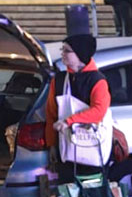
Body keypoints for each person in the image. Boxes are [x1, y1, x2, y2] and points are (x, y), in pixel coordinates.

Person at [45, 33, 113, 182]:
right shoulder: (58, 80)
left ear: (80, 54)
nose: (62, 53)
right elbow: (51, 113)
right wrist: (51, 145)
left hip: (93, 152)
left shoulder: (98, 81)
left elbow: (98, 111)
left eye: (67, 50)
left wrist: (69, 122)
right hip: (66, 153)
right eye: (62, 49)